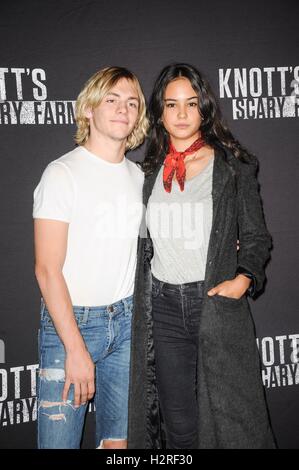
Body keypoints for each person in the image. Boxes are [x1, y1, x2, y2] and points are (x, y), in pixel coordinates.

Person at [128, 63, 276, 449]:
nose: (181, 114)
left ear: (204, 109)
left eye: (190, 104)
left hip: (212, 302)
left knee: (234, 419)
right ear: (159, 111)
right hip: (162, 307)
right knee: (179, 423)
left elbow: (257, 236)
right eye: (171, 104)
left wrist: (243, 278)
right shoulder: (146, 172)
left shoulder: (233, 166)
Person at [33, 66, 148, 449]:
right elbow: (47, 269)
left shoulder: (138, 177)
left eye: (131, 102)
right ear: (88, 109)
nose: (123, 108)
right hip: (72, 325)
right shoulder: (62, 173)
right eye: (111, 99)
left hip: (128, 322)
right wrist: (75, 348)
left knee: (118, 446)